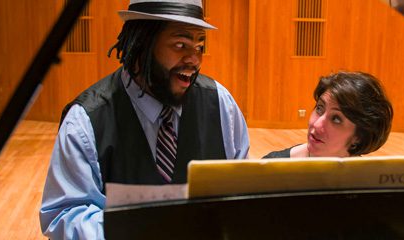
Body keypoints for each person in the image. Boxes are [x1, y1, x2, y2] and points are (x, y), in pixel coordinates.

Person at [39, 0, 250, 239]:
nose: (194, 60)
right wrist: (142, 228)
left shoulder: (221, 103)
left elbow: (238, 189)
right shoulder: (87, 119)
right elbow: (64, 214)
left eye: (200, 46)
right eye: (181, 45)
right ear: (142, 43)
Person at [263, 71, 393, 158]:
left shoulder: (371, 184)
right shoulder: (269, 170)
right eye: (319, 108)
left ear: (358, 137)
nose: (317, 124)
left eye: (336, 119)